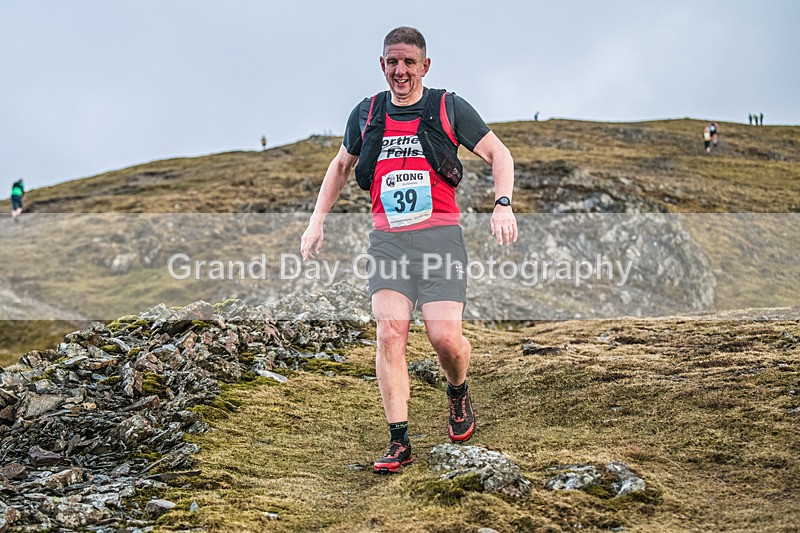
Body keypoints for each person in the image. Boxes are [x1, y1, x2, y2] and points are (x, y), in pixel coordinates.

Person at [300, 26, 516, 474]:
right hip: (388, 243)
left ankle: (458, 389)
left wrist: (503, 204)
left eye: (409, 63)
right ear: (382, 65)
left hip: (441, 242)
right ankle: (399, 441)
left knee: (445, 340)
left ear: (425, 66)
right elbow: (340, 167)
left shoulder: (447, 107)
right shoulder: (367, 113)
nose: (400, 71)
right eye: (392, 62)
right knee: (389, 333)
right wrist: (316, 221)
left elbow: (500, 154)